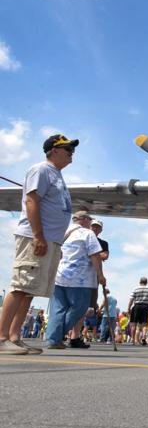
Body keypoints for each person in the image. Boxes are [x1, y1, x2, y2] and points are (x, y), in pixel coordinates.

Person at [0, 134, 78, 354]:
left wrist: (55, 243)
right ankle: (1, 336)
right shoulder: (41, 170)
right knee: (19, 285)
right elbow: (32, 200)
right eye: (67, 149)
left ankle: (14, 337)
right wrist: (38, 235)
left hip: (49, 240)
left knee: (29, 289)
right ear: (53, 150)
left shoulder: (57, 175)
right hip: (36, 237)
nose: (72, 153)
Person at [45, 210, 106, 350]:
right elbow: (95, 255)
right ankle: (56, 335)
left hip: (59, 276)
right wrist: (100, 275)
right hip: (80, 279)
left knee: (58, 309)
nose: (90, 223)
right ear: (84, 219)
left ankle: (53, 339)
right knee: (79, 308)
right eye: (89, 220)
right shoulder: (87, 233)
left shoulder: (63, 231)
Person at [127, 277, 148, 346]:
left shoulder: (136, 289)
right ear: (146, 282)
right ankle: (144, 337)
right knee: (145, 324)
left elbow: (131, 299)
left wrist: (128, 308)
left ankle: (133, 340)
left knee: (134, 324)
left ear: (140, 282)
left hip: (136, 306)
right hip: (145, 307)